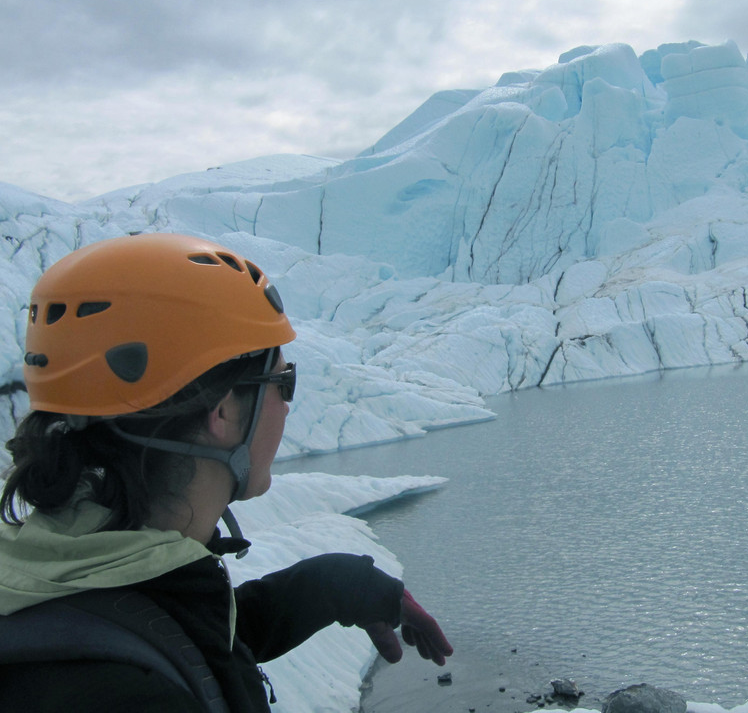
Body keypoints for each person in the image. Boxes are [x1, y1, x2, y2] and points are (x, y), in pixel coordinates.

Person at [0, 233, 452, 712]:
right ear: (222, 412)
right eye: (283, 382)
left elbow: (179, 636)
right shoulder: (129, 697)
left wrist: (337, 586)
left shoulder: (70, 575)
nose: (287, 404)